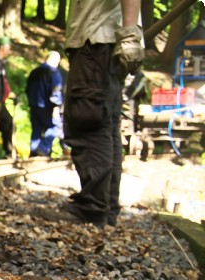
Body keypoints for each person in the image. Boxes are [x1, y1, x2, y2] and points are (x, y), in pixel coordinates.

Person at [38, 0, 143, 227]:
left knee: (87, 120)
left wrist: (129, 34)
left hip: (97, 40)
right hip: (102, 41)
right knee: (105, 123)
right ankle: (106, 207)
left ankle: (92, 206)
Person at [26, 51, 64, 157]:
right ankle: (42, 149)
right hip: (47, 107)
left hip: (34, 105)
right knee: (55, 127)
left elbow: (28, 89)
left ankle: (33, 154)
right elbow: (56, 92)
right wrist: (56, 107)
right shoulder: (53, 72)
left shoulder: (34, 72)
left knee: (36, 130)